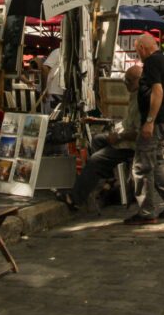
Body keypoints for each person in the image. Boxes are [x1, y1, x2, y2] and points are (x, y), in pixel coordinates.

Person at [57, 66, 143, 211]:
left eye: (128, 81)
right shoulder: (135, 94)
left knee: (96, 160)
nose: (125, 84)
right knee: (98, 139)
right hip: (126, 136)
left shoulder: (142, 100)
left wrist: (119, 136)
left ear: (138, 81)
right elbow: (128, 123)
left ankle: (75, 199)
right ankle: (108, 179)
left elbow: (139, 132)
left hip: (133, 145)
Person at [125, 34, 164, 225]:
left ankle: (146, 212)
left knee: (141, 166)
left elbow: (158, 90)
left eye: (137, 50)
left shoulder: (151, 63)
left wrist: (150, 120)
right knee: (154, 162)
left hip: (155, 121)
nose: (138, 54)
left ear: (143, 48)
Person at [40, 46, 64, 110]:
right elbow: (44, 68)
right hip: (53, 93)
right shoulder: (58, 51)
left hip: (61, 94)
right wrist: (44, 90)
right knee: (50, 118)